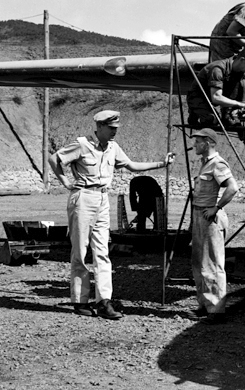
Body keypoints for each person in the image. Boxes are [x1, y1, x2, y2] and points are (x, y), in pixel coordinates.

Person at [49, 110, 175, 320]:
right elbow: (55, 159)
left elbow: (132, 166)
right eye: (111, 128)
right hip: (83, 198)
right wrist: (65, 182)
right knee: (80, 251)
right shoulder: (82, 145)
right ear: (99, 127)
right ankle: (80, 301)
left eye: (116, 128)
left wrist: (162, 164)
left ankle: (104, 301)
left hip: (102, 199)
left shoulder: (113, 148)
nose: (114, 132)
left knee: (102, 252)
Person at [188, 128, 239, 323]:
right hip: (200, 215)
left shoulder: (217, 164)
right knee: (199, 262)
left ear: (208, 142)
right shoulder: (205, 164)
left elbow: (233, 188)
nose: (195, 145)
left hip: (210, 217)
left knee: (213, 263)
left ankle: (217, 310)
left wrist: (216, 208)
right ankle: (205, 304)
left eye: (199, 141)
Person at [187, 46, 245, 130]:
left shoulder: (243, 71)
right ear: (241, 60)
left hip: (215, 98)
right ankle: (195, 112)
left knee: (231, 121)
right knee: (212, 120)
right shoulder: (218, 69)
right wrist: (239, 104)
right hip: (198, 97)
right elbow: (216, 97)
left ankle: (227, 114)